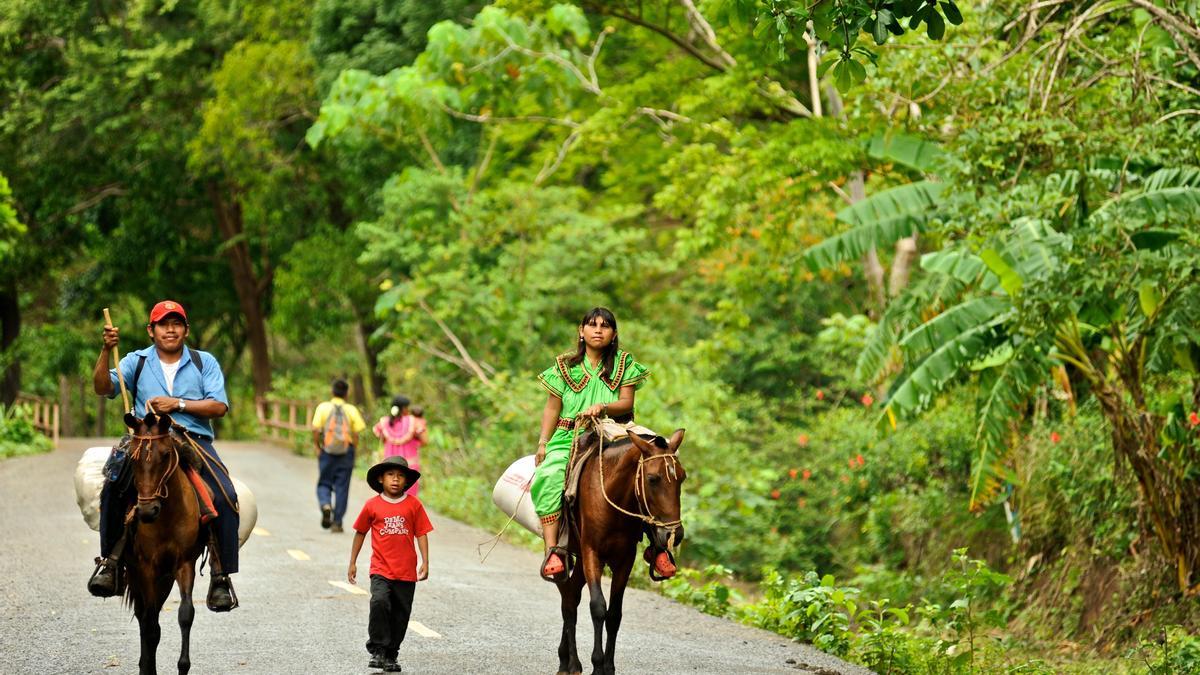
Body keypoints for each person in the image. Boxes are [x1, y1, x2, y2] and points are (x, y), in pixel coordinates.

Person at [87, 299, 240, 611]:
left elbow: (219, 406)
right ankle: (110, 564)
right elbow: (103, 387)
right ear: (151, 330)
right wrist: (105, 351)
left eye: (176, 323)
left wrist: (177, 404)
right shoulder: (136, 361)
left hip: (192, 440)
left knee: (225, 496)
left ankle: (221, 576)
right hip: (148, 440)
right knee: (112, 489)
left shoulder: (203, 362)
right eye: (163, 324)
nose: (170, 329)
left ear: (185, 330)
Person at [530, 307, 649, 581]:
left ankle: (659, 546)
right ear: (581, 332)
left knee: (655, 463)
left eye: (605, 326)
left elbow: (627, 403)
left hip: (613, 432)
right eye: (592, 325)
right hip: (569, 436)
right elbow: (552, 408)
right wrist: (543, 442)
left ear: (614, 334)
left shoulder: (624, 364)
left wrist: (603, 407)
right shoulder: (564, 367)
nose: (598, 330)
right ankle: (553, 552)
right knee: (549, 475)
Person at [348, 455, 432, 673]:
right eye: (390, 475)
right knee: (379, 602)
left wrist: (425, 561)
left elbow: (421, 533)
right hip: (381, 569)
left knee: (400, 614)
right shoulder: (372, 506)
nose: (395, 479)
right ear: (380, 479)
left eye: (401, 475)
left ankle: (391, 654)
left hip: (405, 572)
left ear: (407, 481)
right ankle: (377, 649)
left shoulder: (414, 505)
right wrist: (353, 562)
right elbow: (360, 532)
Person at [311, 379, 367, 533]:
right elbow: (356, 433)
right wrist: (353, 448)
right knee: (342, 486)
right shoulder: (351, 410)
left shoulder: (323, 407)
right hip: (346, 451)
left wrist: (317, 447)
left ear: (332, 391)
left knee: (324, 482)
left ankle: (325, 504)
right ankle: (337, 522)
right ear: (347, 393)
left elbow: (315, 429)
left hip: (327, 450)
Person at [372, 396, 427, 497]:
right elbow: (425, 440)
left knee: (390, 495)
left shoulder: (384, 422)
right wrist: (415, 442)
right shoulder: (413, 421)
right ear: (404, 408)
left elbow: (381, 437)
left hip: (389, 465)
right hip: (409, 465)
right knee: (410, 497)